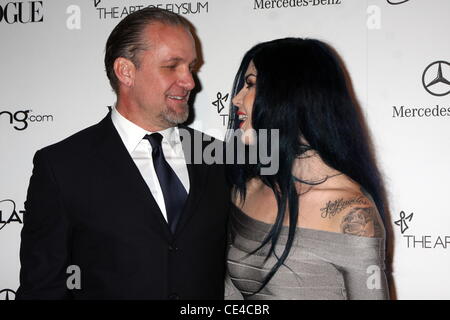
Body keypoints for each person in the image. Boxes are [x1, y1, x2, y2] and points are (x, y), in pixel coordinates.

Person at [16, 8, 229, 300]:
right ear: (126, 71)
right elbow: (43, 289)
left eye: (190, 66)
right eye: (172, 66)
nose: (190, 81)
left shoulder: (218, 156)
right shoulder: (62, 167)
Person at [224, 38, 390, 300]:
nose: (236, 99)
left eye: (251, 84)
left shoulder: (353, 213)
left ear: (290, 95)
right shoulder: (246, 190)